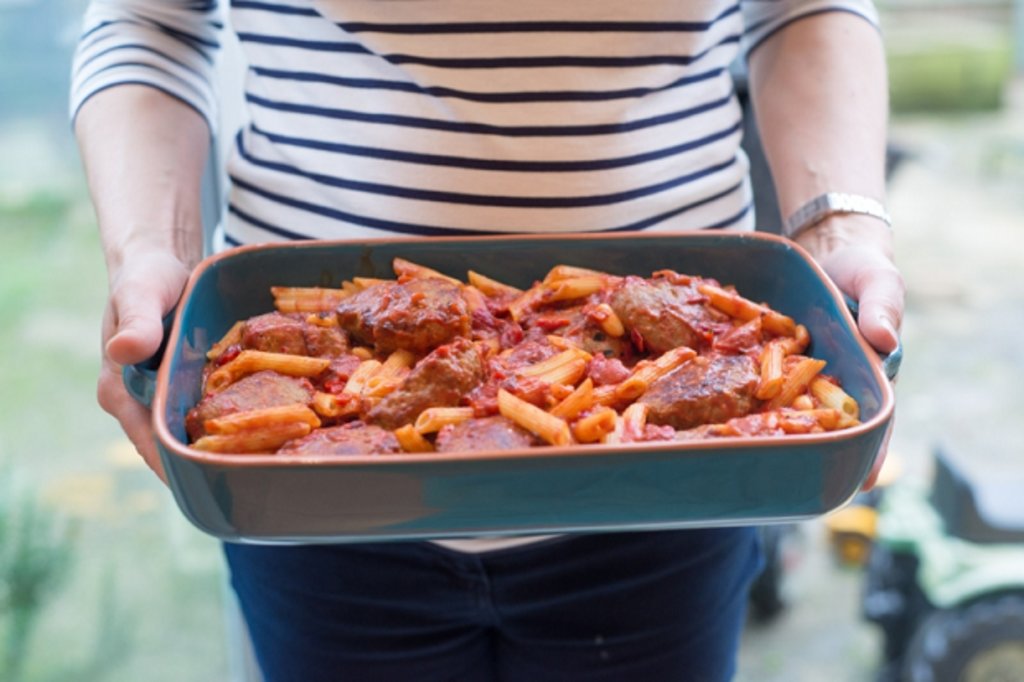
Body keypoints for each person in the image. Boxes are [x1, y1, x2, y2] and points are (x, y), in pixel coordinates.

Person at [72, 1, 904, 680]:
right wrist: (153, 250)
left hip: (676, 475)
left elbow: (802, 9)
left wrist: (837, 230)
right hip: (312, 486)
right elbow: (150, 21)